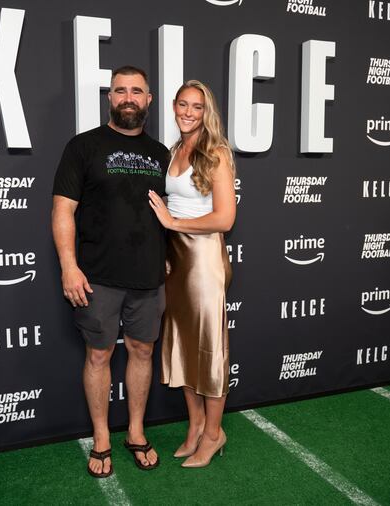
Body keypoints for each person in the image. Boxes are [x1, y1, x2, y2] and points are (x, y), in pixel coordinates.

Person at [52, 66, 170, 478]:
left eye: (137, 91)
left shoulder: (161, 154)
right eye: (120, 90)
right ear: (110, 98)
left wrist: (167, 256)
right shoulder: (83, 146)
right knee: (99, 355)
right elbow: (63, 209)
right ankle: (101, 437)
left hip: (149, 276)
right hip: (97, 276)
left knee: (142, 351)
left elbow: (171, 215)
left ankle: (136, 432)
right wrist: (69, 267)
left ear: (149, 100)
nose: (128, 98)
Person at [147, 80, 236, 468]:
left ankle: (214, 434)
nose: (187, 112)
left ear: (206, 112)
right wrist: (166, 243)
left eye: (196, 107)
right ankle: (196, 424)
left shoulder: (215, 152)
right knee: (182, 344)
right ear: (173, 106)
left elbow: (225, 218)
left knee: (209, 349)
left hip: (203, 261)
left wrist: (172, 222)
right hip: (176, 260)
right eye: (182, 104)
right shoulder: (172, 151)